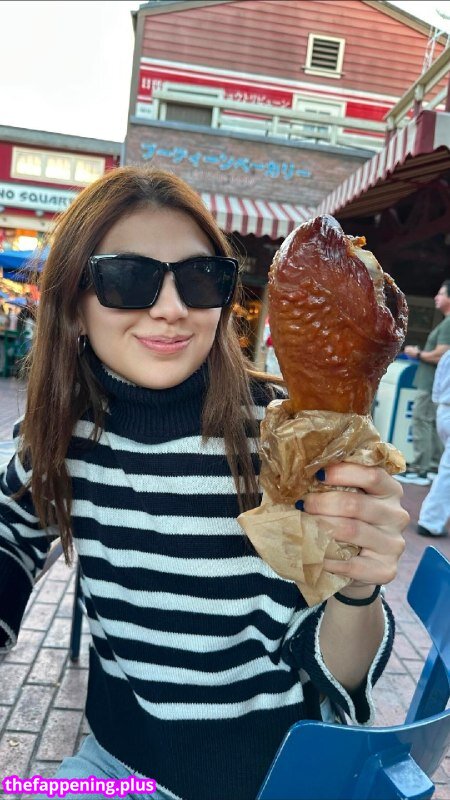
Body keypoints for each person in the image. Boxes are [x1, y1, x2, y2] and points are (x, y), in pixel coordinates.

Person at [0, 166, 408, 800]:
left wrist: (358, 586)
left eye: (200, 279)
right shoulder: (57, 435)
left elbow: (336, 673)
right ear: (73, 304)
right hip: (118, 769)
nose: (171, 308)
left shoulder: (288, 440)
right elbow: (11, 531)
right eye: (126, 278)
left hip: (270, 779)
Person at [397, 280, 450, 486]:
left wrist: (417, 353)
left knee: (422, 421)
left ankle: (420, 469)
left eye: (441, 294)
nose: (436, 297)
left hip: (430, 384)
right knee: (432, 423)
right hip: (433, 384)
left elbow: (442, 355)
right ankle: (432, 467)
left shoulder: (448, 324)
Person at [416, 348, 450, 538]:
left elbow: (436, 388)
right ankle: (431, 521)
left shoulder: (447, 355)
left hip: (444, 410)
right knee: (448, 471)